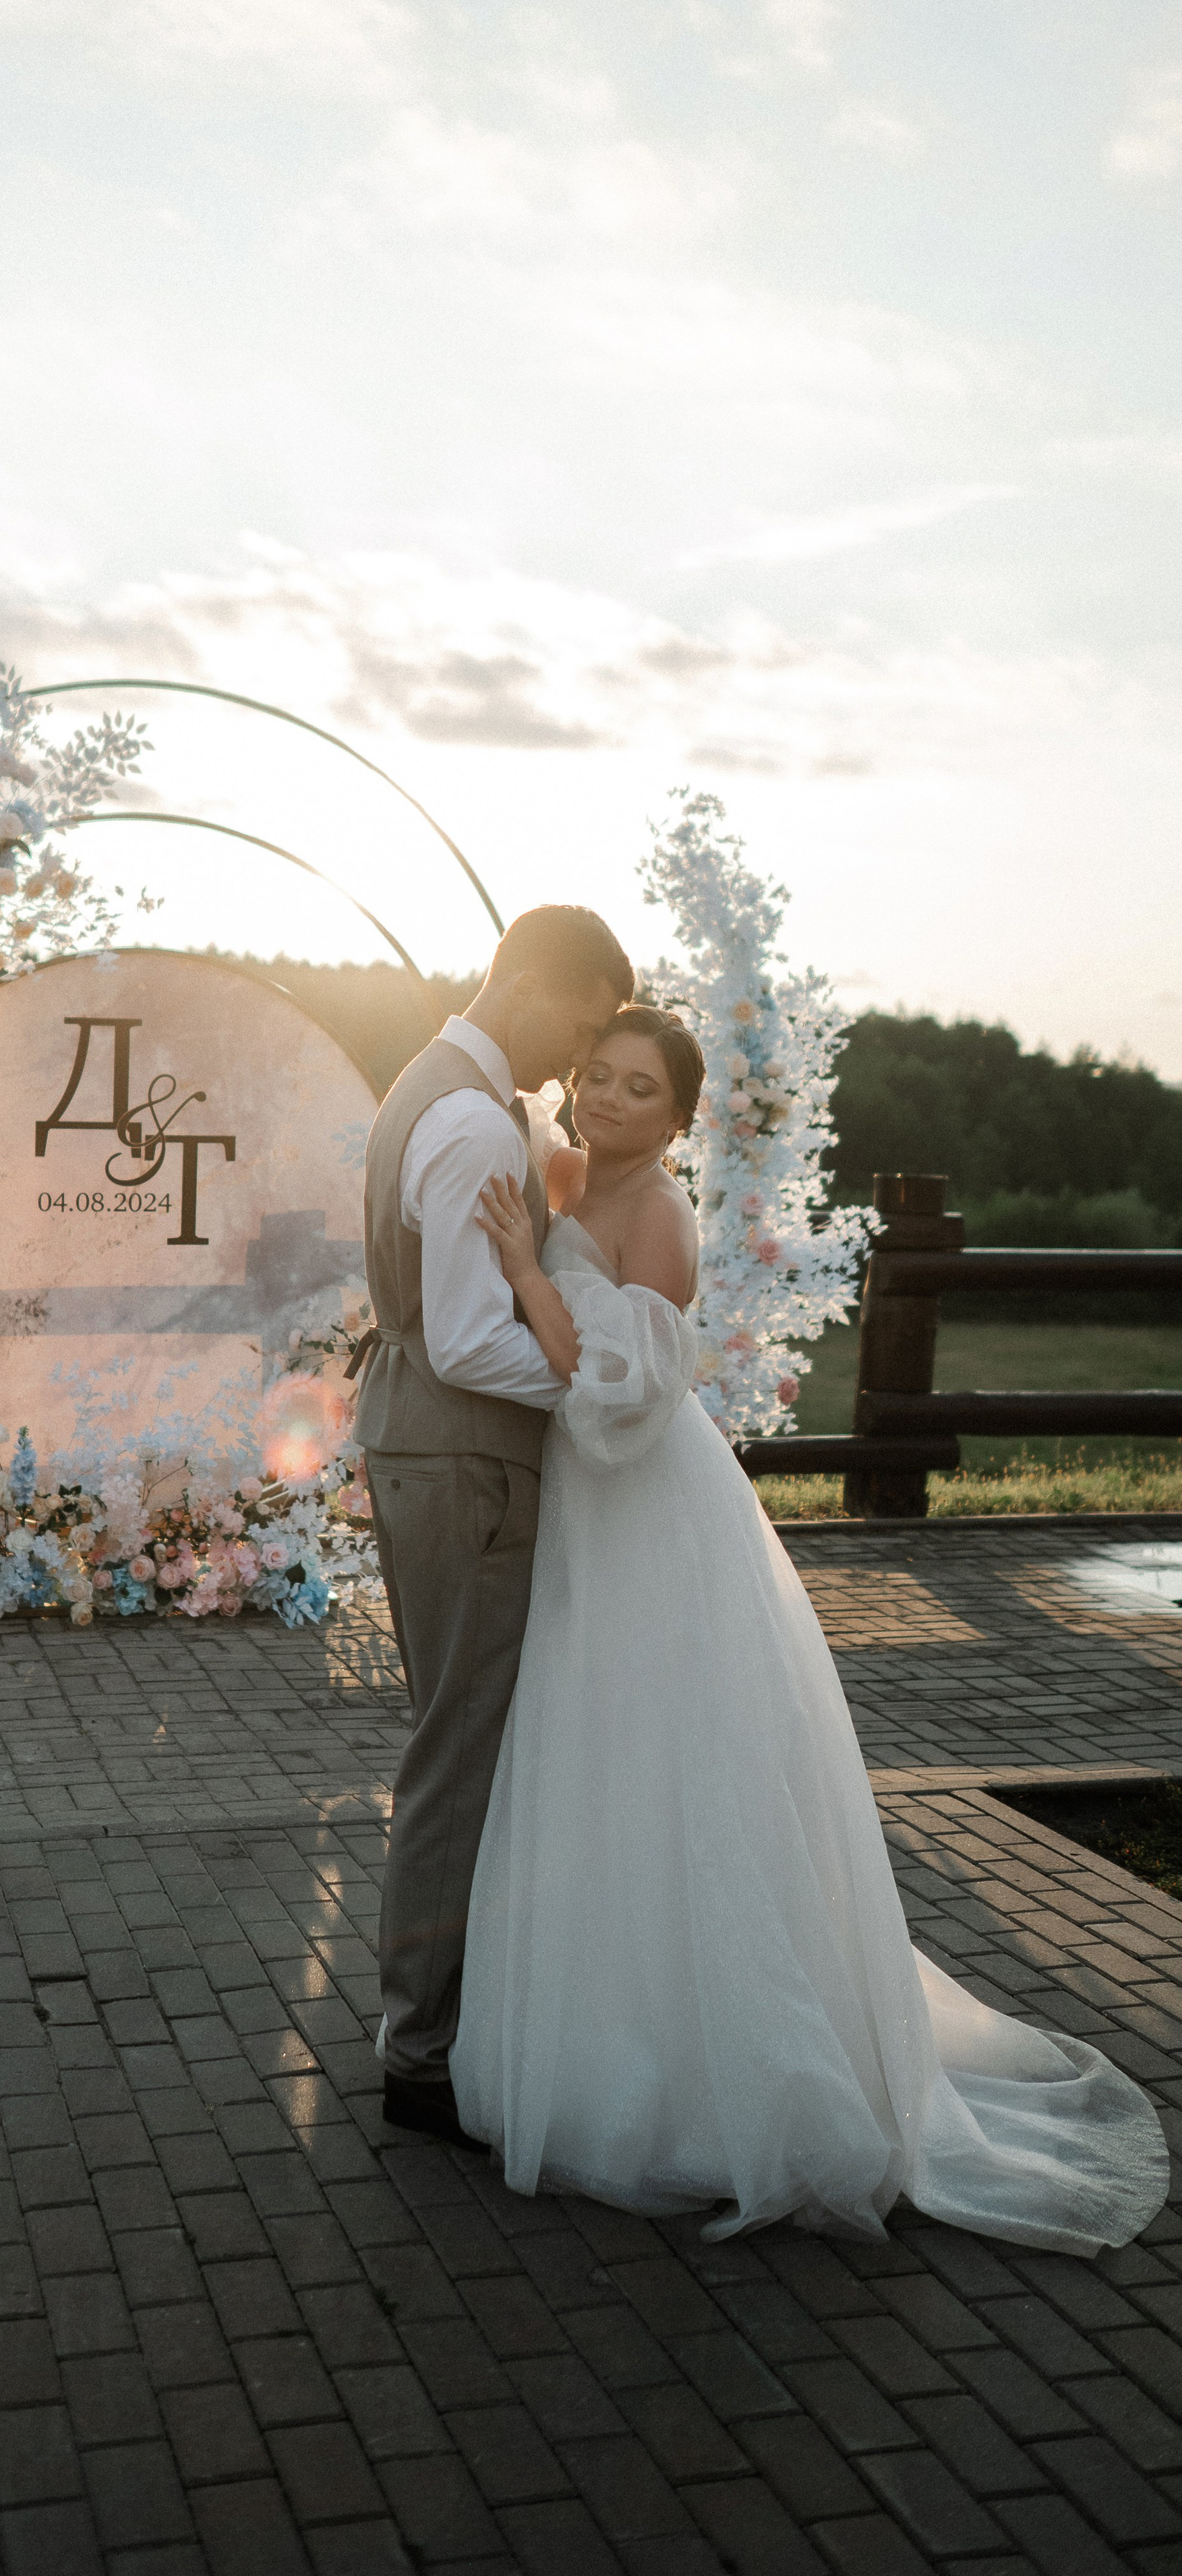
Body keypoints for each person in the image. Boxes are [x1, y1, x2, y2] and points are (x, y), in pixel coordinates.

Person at [449, 1004, 1170, 2250]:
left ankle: (733, 2075)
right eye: (600, 1078)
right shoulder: (566, 1169)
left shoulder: (660, 1219)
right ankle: (612, 2032)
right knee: (597, 1754)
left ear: (680, 1117)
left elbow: (606, 1393)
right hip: (589, 1525)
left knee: (681, 1757)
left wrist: (522, 1270)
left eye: (643, 1088)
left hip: (649, 1509)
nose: (614, 1101)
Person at [353, 904, 634, 2147]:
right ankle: (420, 2052)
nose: (577, 1059)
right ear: (524, 982)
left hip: (427, 1443)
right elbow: (471, 1340)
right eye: (579, 1024)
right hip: (464, 1458)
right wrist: (593, 1389)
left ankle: (440, 2023)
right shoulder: (469, 1121)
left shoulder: (440, 1091)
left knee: (456, 1737)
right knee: (459, 1751)